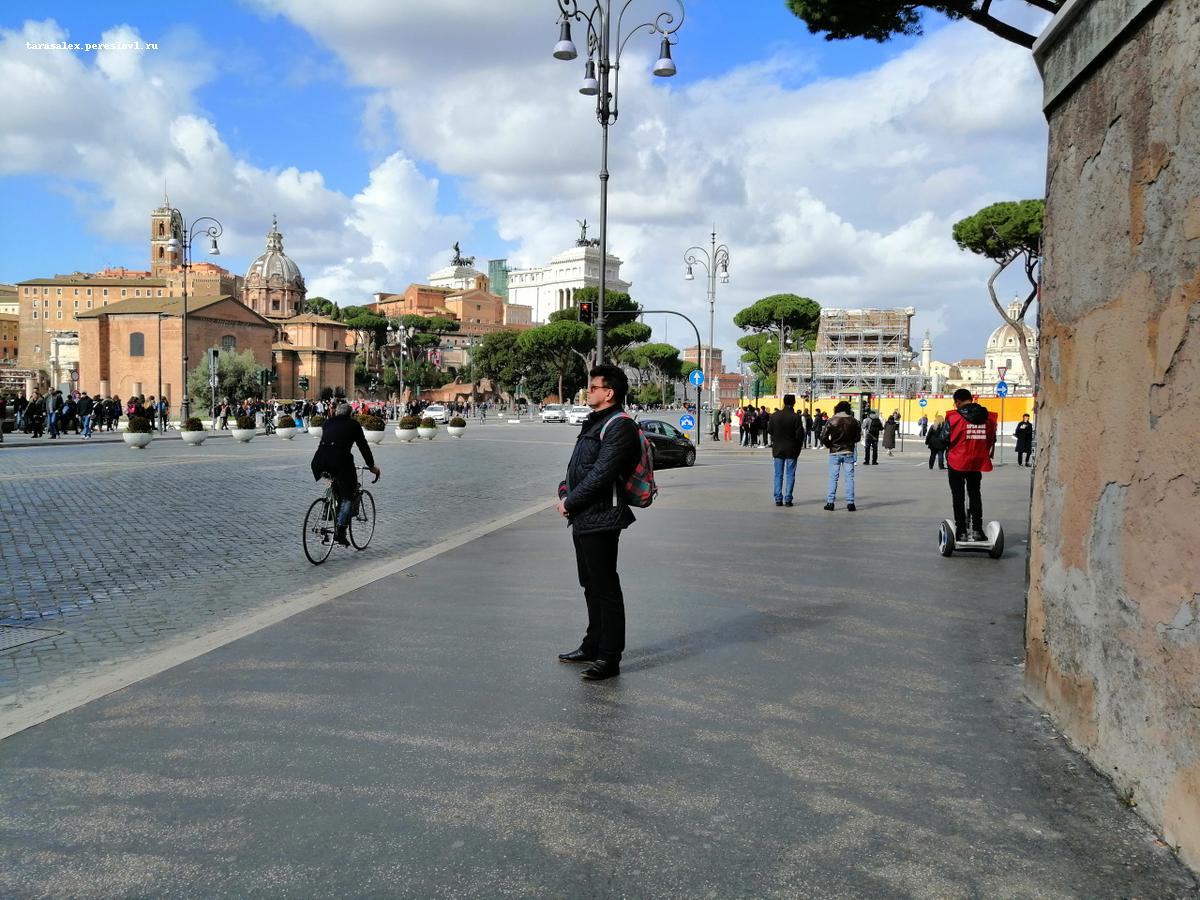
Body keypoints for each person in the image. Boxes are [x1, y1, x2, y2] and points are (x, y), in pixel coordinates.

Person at [556, 365, 642, 682]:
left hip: (603, 517)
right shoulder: (595, 421)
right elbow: (577, 467)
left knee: (606, 588)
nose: (587, 391)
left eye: (593, 387)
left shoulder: (621, 426)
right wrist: (564, 491)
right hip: (583, 516)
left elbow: (601, 475)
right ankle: (592, 644)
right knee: (590, 584)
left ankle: (609, 656)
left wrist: (569, 502)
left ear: (609, 393)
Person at [310, 402, 381, 546]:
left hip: (318, 462)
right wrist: (371, 466)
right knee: (348, 496)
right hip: (340, 462)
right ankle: (341, 531)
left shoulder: (327, 422)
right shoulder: (353, 425)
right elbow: (363, 447)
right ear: (350, 414)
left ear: (336, 413)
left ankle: (329, 508)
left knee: (336, 484)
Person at [942, 388, 998, 542]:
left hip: (957, 462)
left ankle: (961, 531)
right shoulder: (988, 418)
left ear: (958, 402)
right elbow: (991, 439)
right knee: (975, 494)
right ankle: (978, 530)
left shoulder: (953, 418)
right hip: (977, 462)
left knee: (958, 496)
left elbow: (944, 439)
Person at [821, 400, 862, 511]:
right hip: (849, 452)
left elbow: (823, 437)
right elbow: (858, 438)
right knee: (849, 478)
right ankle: (850, 503)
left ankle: (830, 503)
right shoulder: (854, 421)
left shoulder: (831, 420)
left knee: (833, 478)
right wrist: (850, 443)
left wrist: (830, 445)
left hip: (834, 452)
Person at [768, 394, 805, 507]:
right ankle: (788, 498)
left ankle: (778, 498)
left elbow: (770, 430)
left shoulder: (775, 416)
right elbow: (800, 435)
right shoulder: (796, 417)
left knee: (778, 474)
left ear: (784, 402)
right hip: (792, 449)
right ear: (794, 403)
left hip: (778, 448)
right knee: (790, 474)